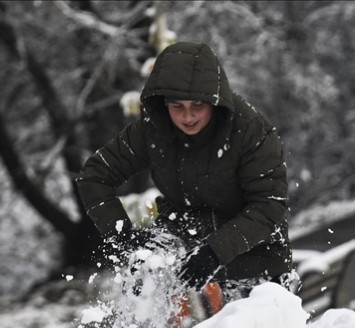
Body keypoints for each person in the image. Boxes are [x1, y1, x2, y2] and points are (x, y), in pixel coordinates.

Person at [76, 41, 293, 308]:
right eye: (177, 106)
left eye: (197, 106)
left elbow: (270, 205)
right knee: (153, 307)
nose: (188, 117)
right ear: (162, 103)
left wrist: (214, 252)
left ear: (215, 101)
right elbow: (94, 176)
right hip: (182, 243)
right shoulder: (153, 129)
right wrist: (123, 239)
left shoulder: (250, 131)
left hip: (254, 258)